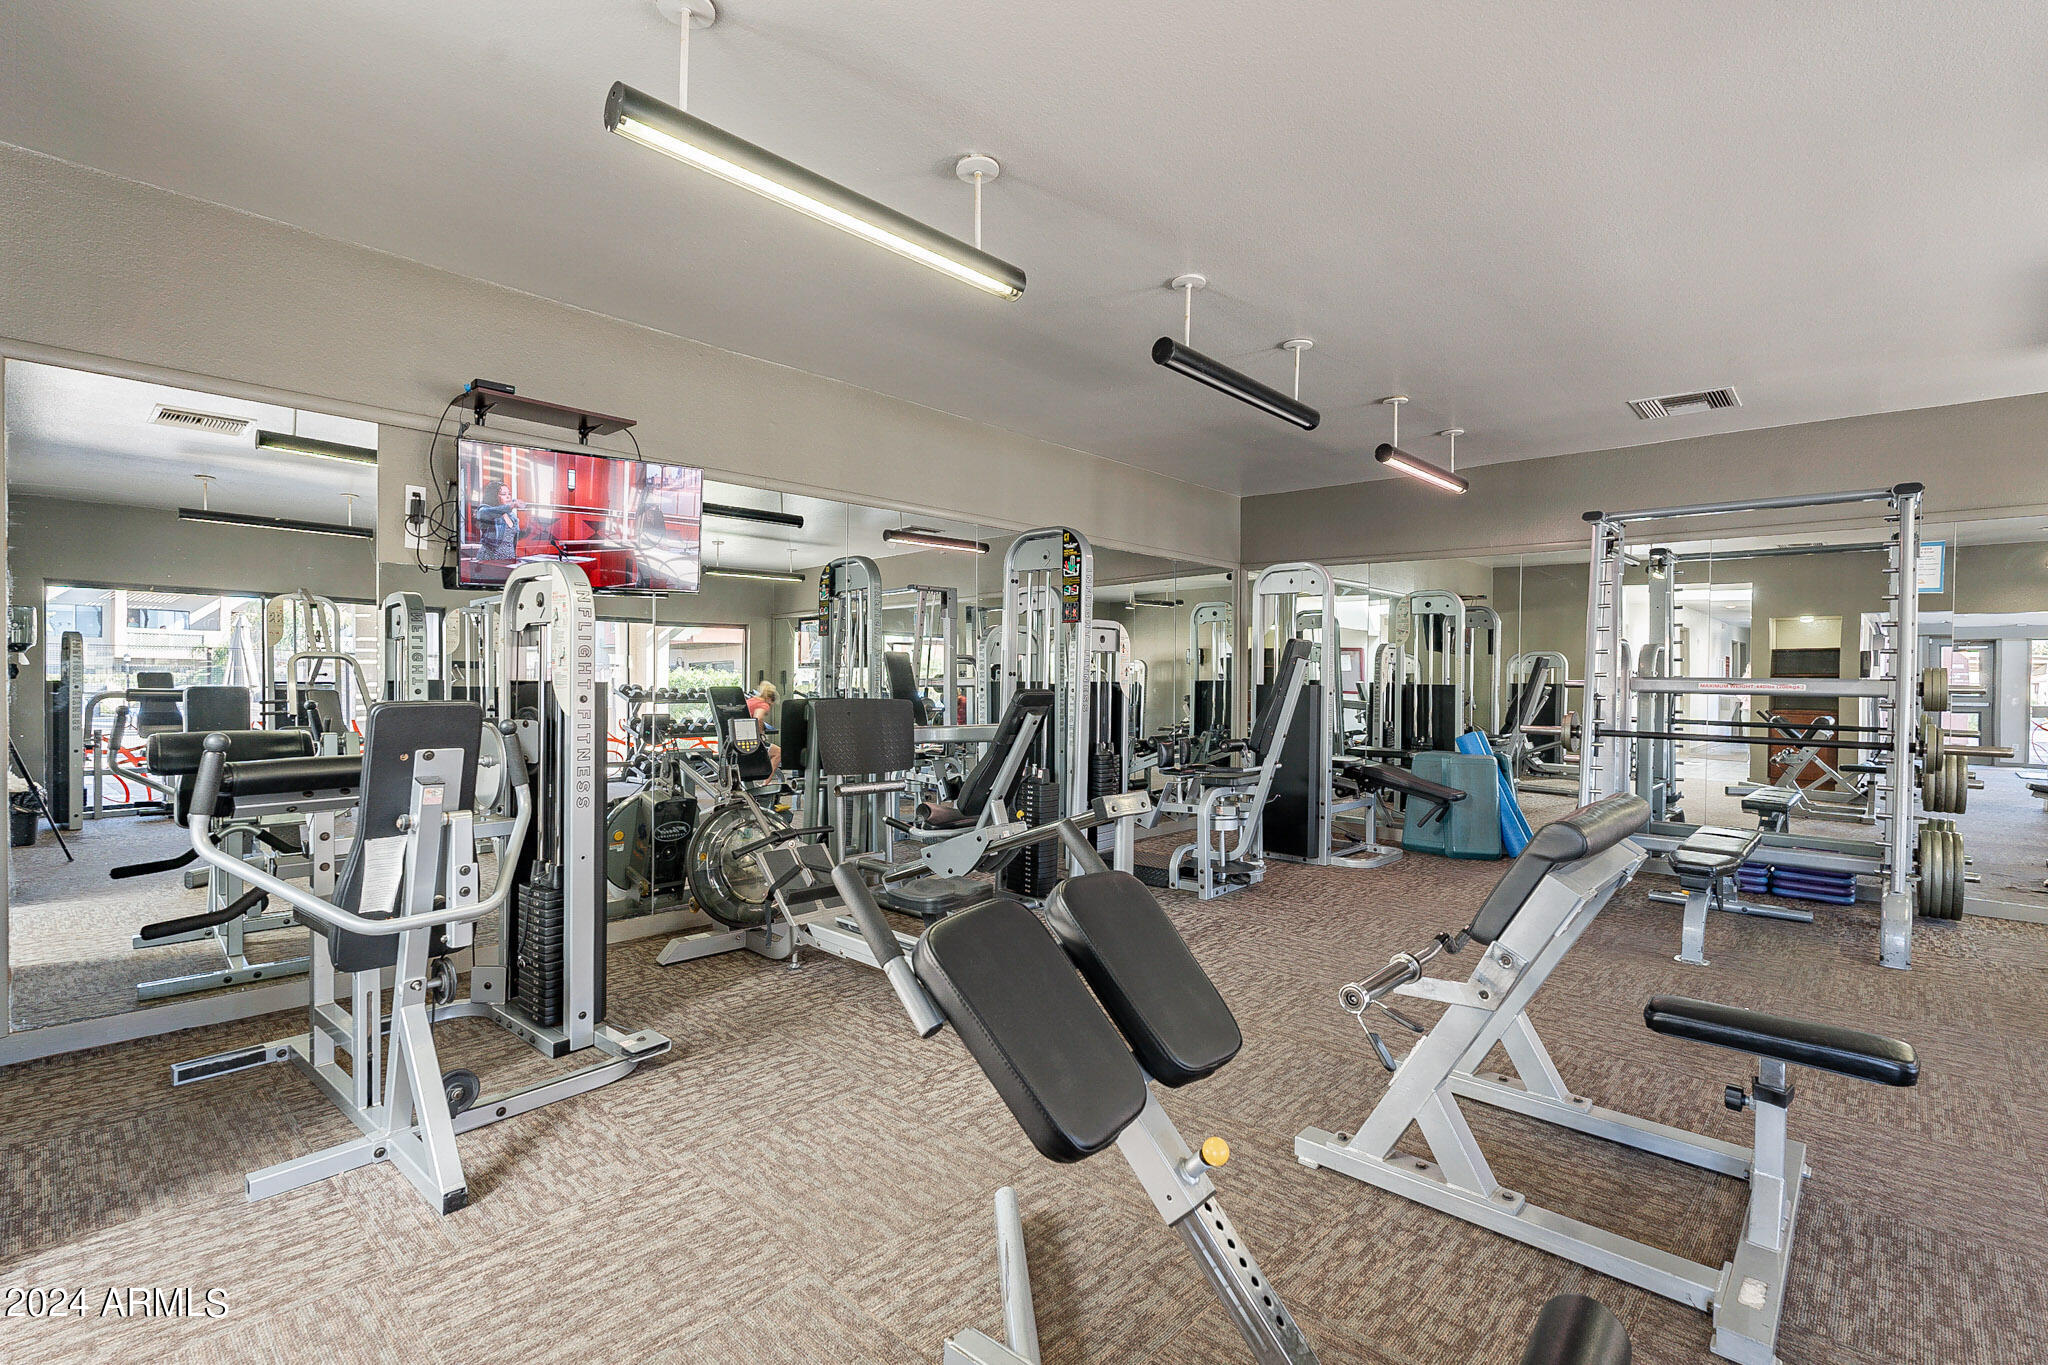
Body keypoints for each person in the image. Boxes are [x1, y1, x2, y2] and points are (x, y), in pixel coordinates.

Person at [475, 481, 523, 562]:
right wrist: (511, 505)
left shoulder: (512, 516)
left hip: (508, 559)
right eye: (503, 494)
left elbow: (512, 541)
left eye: (509, 494)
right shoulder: (484, 510)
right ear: (493, 496)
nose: (508, 497)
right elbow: (489, 512)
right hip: (489, 559)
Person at [747, 681, 781, 773]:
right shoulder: (764, 704)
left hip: (741, 738)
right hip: (750, 741)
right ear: (770, 699)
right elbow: (758, 718)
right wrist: (761, 735)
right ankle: (765, 784)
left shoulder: (751, 700)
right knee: (779, 753)